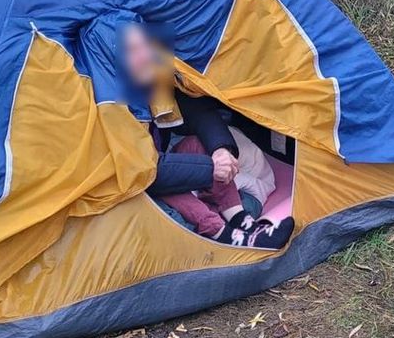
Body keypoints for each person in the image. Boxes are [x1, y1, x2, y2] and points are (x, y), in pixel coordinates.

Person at [121, 23, 294, 249]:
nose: (145, 55)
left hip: (160, 162)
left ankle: (245, 223)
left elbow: (197, 110)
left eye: (145, 45)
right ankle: (221, 233)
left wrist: (221, 150)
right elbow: (144, 170)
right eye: (132, 50)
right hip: (137, 180)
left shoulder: (155, 84)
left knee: (198, 144)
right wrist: (209, 168)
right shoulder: (111, 107)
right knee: (163, 184)